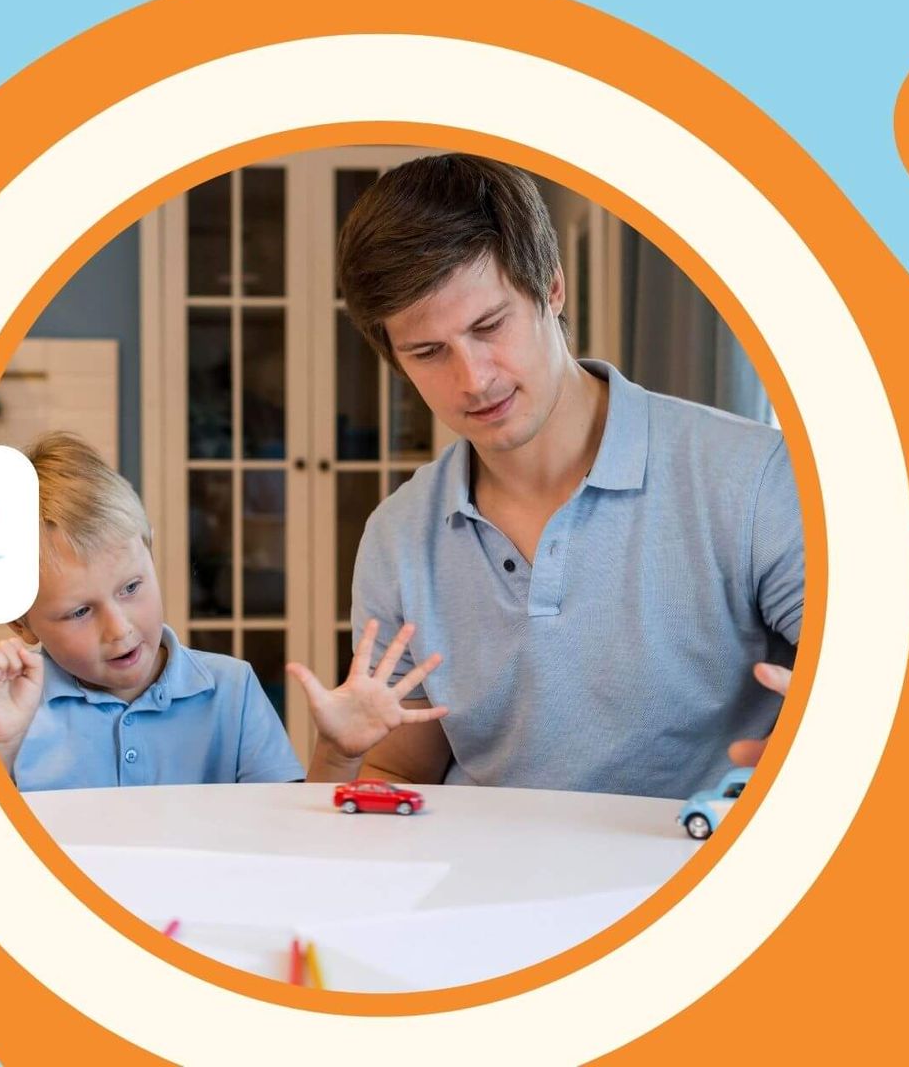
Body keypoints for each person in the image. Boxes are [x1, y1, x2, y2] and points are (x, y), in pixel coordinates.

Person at [288, 154, 802, 799]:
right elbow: (397, 771)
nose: (473, 379)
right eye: (428, 352)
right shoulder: (397, 536)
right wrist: (341, 759)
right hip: (481, 884)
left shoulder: (751, 478)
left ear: (551, 289)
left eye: (489, 326)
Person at [0, 432, 305, 791]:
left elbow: (287, 837)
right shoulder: (5, 716)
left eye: (130, 588)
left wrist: (336, 755)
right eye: (81, 611)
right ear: (20, 623)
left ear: (150, 549)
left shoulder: (233, 691)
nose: (119, 629)